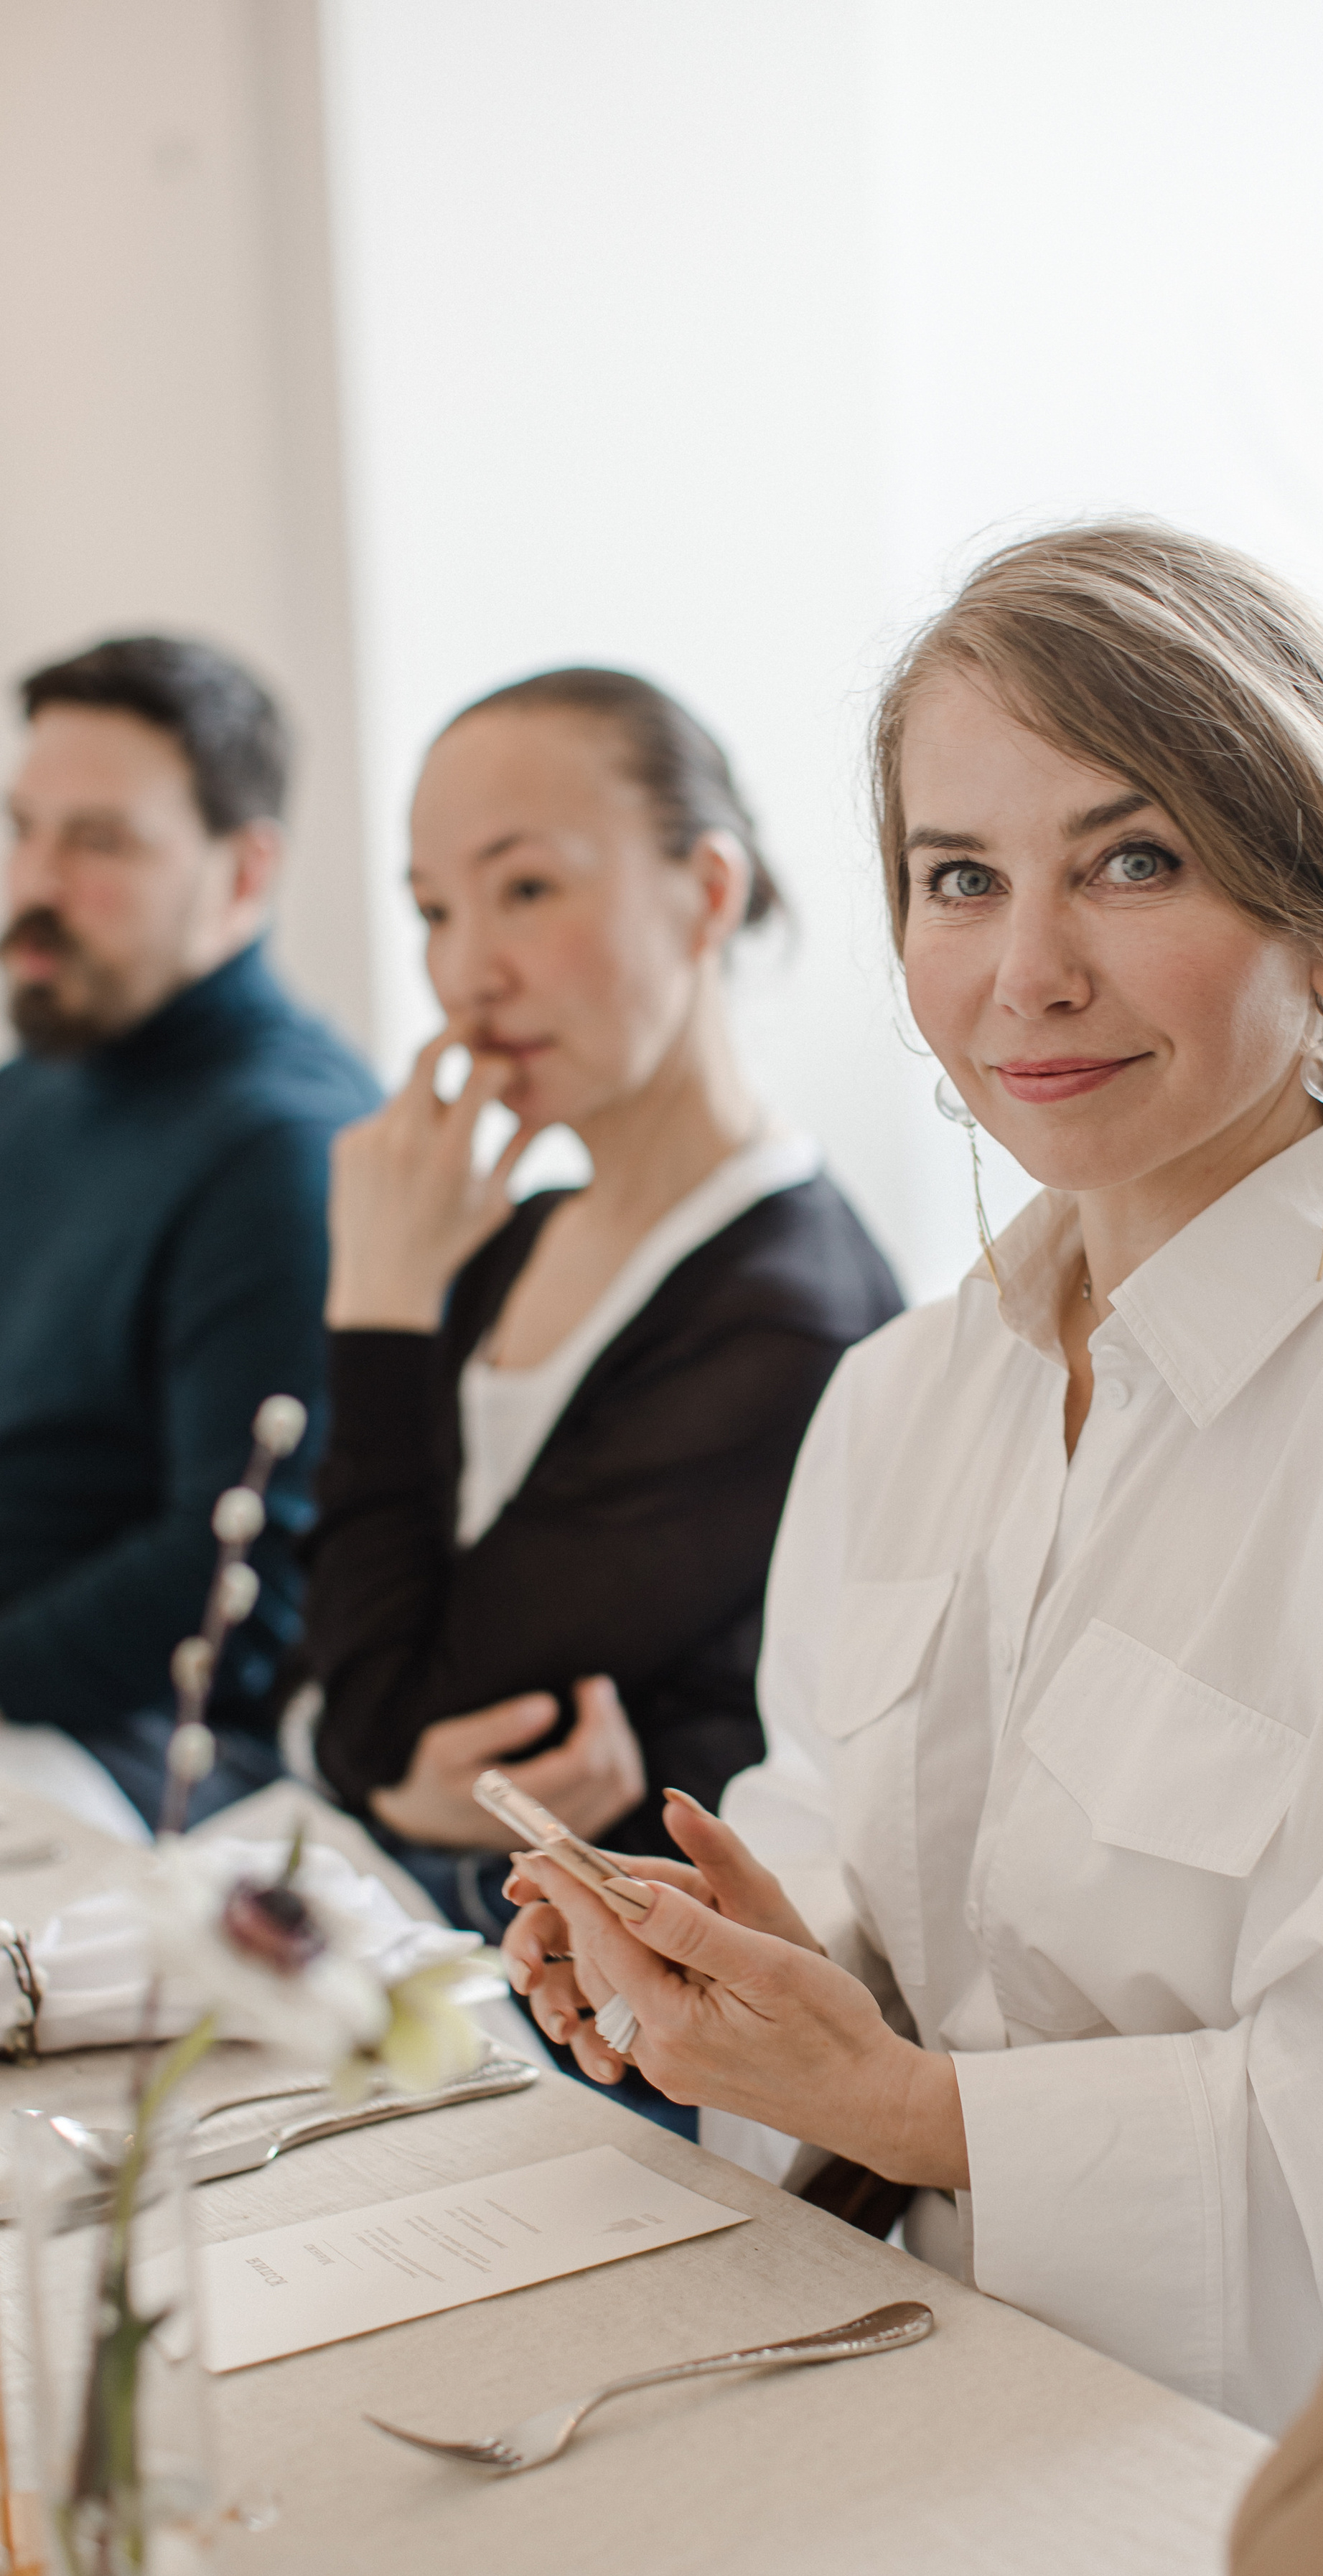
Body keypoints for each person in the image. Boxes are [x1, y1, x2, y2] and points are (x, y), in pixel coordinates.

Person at [500, 523, 1323, 2430]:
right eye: (960, 879)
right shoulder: (903, 1397)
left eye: (1132, 862)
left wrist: (906, 2108)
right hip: (932, 2386)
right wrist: (741, 1976)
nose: (1028, 973)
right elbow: (845, 1837)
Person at [300, 670, 902, 2076]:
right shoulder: (513, 1234)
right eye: (434, 911)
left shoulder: (780, 1319)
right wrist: (380, 1770)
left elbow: (379, 1710)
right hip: (434, 1944)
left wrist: (378, 1308)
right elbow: (337, 1685)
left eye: (525, 891)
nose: (468, 973)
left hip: (615, 2033)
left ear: (706, 894)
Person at [0, 635, 380, 1835]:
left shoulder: (284, 1147)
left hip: (124, 1762)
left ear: (245, 870)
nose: (33, 883)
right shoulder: (42, 1085)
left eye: (100, 842)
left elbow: (226, 1583)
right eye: (22, 828)